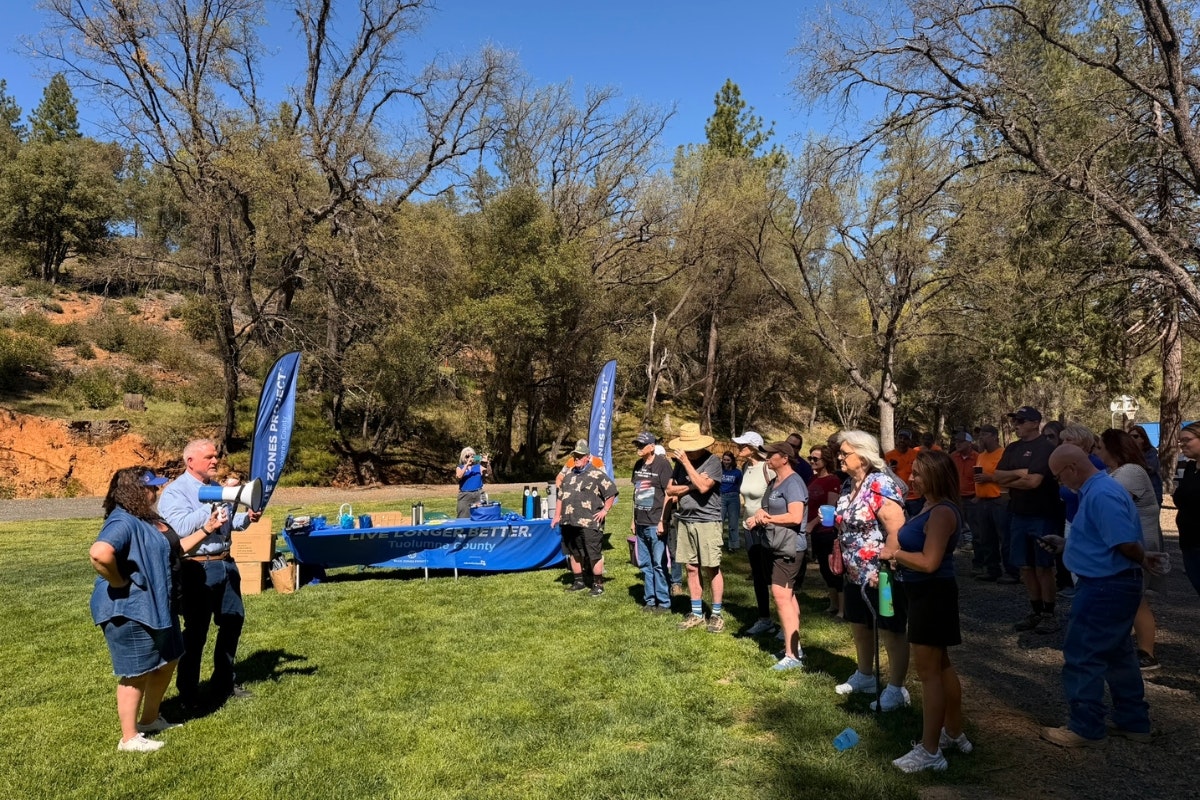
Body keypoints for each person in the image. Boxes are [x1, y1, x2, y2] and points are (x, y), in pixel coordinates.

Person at [1039, 445, 1167, 747]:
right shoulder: (1099, 490)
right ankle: (1134, 722)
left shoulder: (1102, 494)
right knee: (1118, 655)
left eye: (1059, 476)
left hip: (1105, 586)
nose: (1060, 483)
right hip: (1113, 583)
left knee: (1084, 654)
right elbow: (1104, 539)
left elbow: (1123, 541)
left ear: (1071, 468)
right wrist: (1067, 545)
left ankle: (1085, 727)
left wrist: (1141, 557)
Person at [880, 450, 970, 773]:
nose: (910, 478)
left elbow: (930, 563)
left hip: (932, 595)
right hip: (925, 594)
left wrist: (895, 553)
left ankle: (929, 751)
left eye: (917, 473)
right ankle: (954, 733)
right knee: (942, 666)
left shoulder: (942, 512)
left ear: (934, 475)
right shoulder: (931, 507)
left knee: (929, 674)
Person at [89, 468, 192, 751]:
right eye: (152, 488)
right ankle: (129, 738)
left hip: (157, 604)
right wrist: (118, 580)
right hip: (129, 608)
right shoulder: (121, 520)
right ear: (136, 490)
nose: (156, 492)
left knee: (169, 658)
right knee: (135, 672)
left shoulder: (144, 517)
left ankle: (149, 720)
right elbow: (100, 552)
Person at [159, 439, 261, 707]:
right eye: (209, 457)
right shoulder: (175, 492)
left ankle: (224, 682)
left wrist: (246, 519)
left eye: (216, 456)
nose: (215, 461)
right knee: (196, 632)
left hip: (226, 563)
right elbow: (179, 528)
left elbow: (227, 526)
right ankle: (188, 692)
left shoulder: (216, 488)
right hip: (197, 568)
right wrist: (214, 502)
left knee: (232, 622)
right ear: (190, 461)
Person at [832, 430, 911, 712]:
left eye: (845, 453)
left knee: (891, 629)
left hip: (883, 575)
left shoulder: (879, 485)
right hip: (854, 572)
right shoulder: (847, 485)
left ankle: (896, 689)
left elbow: (897, 531)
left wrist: (885, 567)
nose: (839, 457)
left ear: (863, 456)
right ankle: (865, 675)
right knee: (859, 624)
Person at [1098, 428, 1165, 671]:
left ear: (1113, 449)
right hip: (1129, 542)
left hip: (1139, 544)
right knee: (1130, 597)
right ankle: (1123, 647)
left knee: (1136, 599)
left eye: (1101, 447)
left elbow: (1110, 503)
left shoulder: (1131, 472)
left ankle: (1147, 654)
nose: (1098, 451)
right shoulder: (1115, 472)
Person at [992, 406, 1062, 634]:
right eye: (1015, 421)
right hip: (1018, 513)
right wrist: (1021, 473)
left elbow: (1034, 483)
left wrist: (1015, 477)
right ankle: (1035, 610)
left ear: (1035, 422)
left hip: (1042, 514)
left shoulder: (1046, 448)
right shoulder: (1012, 448)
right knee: (1025, 566)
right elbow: (997, 477)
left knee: (1043, 566)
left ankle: (1049, 613)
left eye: (1021, 421)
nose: (1016, 425)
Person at [745, 441, 808, 670]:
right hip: (775, 544)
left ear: (784, 457)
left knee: (782, 596)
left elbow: (795, 516)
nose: (767, 459)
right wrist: (759, 515)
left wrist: (769, 519)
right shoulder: (775, 482)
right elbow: (767, 508)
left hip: (790, 547)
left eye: (771, 455)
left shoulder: (794, 483)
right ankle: (794, 648)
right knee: (787, 597)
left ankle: (792, 656)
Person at [666, 422, 727, 633]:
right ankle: (697, 612)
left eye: (690, 449)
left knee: (712, 567)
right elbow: (669, 490)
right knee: (691, 567)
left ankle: (717, 614)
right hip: (685, 520)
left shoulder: (713, 462)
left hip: (708, 521)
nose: (687, 453)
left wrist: (688, 468)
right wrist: (691, 485)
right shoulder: (680, 464)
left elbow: (703, 487)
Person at [554, 440, 618, 596]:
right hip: (569, 521)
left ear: (588, 458)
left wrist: (605, 510)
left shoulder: (596, 474)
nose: (576, 459)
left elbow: (611, 491)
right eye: (575, 456)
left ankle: (598, 584)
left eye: (580, 456)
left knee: (593, 553)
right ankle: (579, 581)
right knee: (573, 552)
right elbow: (560, 497)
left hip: (589, 522)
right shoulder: (568, 474)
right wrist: (556, 516)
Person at [733, 431, 777, 635]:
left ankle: (784, 622)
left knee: (774, 576)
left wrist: (763, 516)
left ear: (753, 447)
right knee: (758, 575)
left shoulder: (769, 468)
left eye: (742, 445)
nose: (738, 448)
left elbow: (778, 497)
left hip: (768, 528)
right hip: (749, 528)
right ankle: (765, 619)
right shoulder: (744, 467)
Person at [630, 431, 673, 612]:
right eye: (637, 445)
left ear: (652, 446)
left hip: (656, 521)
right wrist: (633, 519)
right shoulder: (638, 465)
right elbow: (636, 494)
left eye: (642, 445)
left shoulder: (663, 465)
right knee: (645, 564)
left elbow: (669, 494)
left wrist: (663, 520)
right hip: (641, 522)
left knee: (658, 563)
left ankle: (664, 602)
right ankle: (649, 600)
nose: (638, 448)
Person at [972, 424, 1014, 582]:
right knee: (986, 537)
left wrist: (989, 478)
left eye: (984, 435)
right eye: (980, 435)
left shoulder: (1003, 453)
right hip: (982, 501)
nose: (981, 438)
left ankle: (1011, 571)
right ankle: (992, 570)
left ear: (994, 436)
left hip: (999, 500)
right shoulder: (981, 455)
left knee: (1004, 536)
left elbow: (1008, 476)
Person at [805, 446, 844, 617]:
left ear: (826, 461)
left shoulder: (832, 480)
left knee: (834, 569)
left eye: (816, 459)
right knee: (823, 568)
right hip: (815, 532)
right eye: (810, 458)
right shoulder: (812, 480)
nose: (812, 461)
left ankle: (843, 610)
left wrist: (812, 524)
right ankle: (832, 604)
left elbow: (830, 507)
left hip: (828, 531)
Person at [1173, 422, 1200, 597]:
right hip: (1189, 543)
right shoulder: (1190, 468)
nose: (1182, 444)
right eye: (1180, 441)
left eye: (1186, 440)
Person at [885, 428, 923, 517]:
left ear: (909, 441)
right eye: (900, 437)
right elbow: (883, 476)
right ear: (896, 439)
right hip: (896, 496)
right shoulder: (888, 455)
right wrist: (889, 470)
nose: (902, 440)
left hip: (914, 497)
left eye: (905, 438)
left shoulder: (916, 454)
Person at [1129, 424, 1164, 506]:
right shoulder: (1127, 454)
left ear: (1143, 439)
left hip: (1152, 493)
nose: (1132, 439)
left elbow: (1149, 469)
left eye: (1135, 436)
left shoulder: (1151, 452)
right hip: (1135, 495)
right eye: (1129, 436)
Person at [454, 446, 490, 518]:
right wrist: (466, 465)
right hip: (465, 495)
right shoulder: (460, 467)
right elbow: (459, 476)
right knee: (463, 516)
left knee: (482, 515)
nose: (470, 458)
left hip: (478, 494)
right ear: (463, 457)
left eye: (472, 456)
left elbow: (488, 473)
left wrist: (487, 463)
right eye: (467, 456)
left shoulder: (478, 466)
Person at [719, 450, 743, 550]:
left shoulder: (737, 472)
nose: (726, 462)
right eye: (724, 460)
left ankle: (733, 545)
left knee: (733, 523)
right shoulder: (719, 470)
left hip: (733, 497)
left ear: (732, 460)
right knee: (719, 521)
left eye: (728, 460)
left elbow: (740, 484)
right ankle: (717, 543)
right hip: (721, 497)